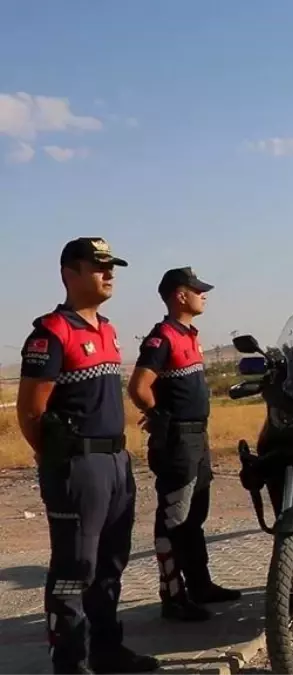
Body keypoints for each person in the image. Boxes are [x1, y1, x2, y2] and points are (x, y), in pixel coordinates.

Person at [15, 238, 159, 674]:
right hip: (79, 467)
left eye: (111, 266)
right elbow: (30, 411)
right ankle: (71, 661)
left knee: (111, 564)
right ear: (69, 274)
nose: (108, 274)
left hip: (116, 464)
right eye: (98, 267)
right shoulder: (51, 333)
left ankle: (107, 650)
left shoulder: (108, 329)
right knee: (75, 567)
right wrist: (58, 460)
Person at [127, 268, 241, 622]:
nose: (203, 295)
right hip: (178, 441)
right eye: (197, 290)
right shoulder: (162, 338)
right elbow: (138, 387)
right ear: (180, 295)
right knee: (174, 519)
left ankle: (201, 586)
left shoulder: (189, 335)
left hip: (198, 437)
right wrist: (158, 415)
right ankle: (173, 597)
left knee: (195, 516)